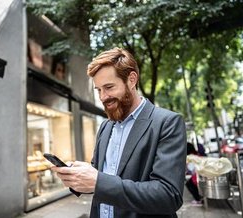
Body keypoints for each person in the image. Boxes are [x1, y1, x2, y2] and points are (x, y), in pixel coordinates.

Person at [51, 47, 187, 218]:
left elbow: (168, 195)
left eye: (108, 87)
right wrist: (78, 177)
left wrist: (97, 182)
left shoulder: (167, 123)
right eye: (98, 90)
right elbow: (99, 177)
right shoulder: (106, 127)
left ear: (131, 79)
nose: (102, 97)